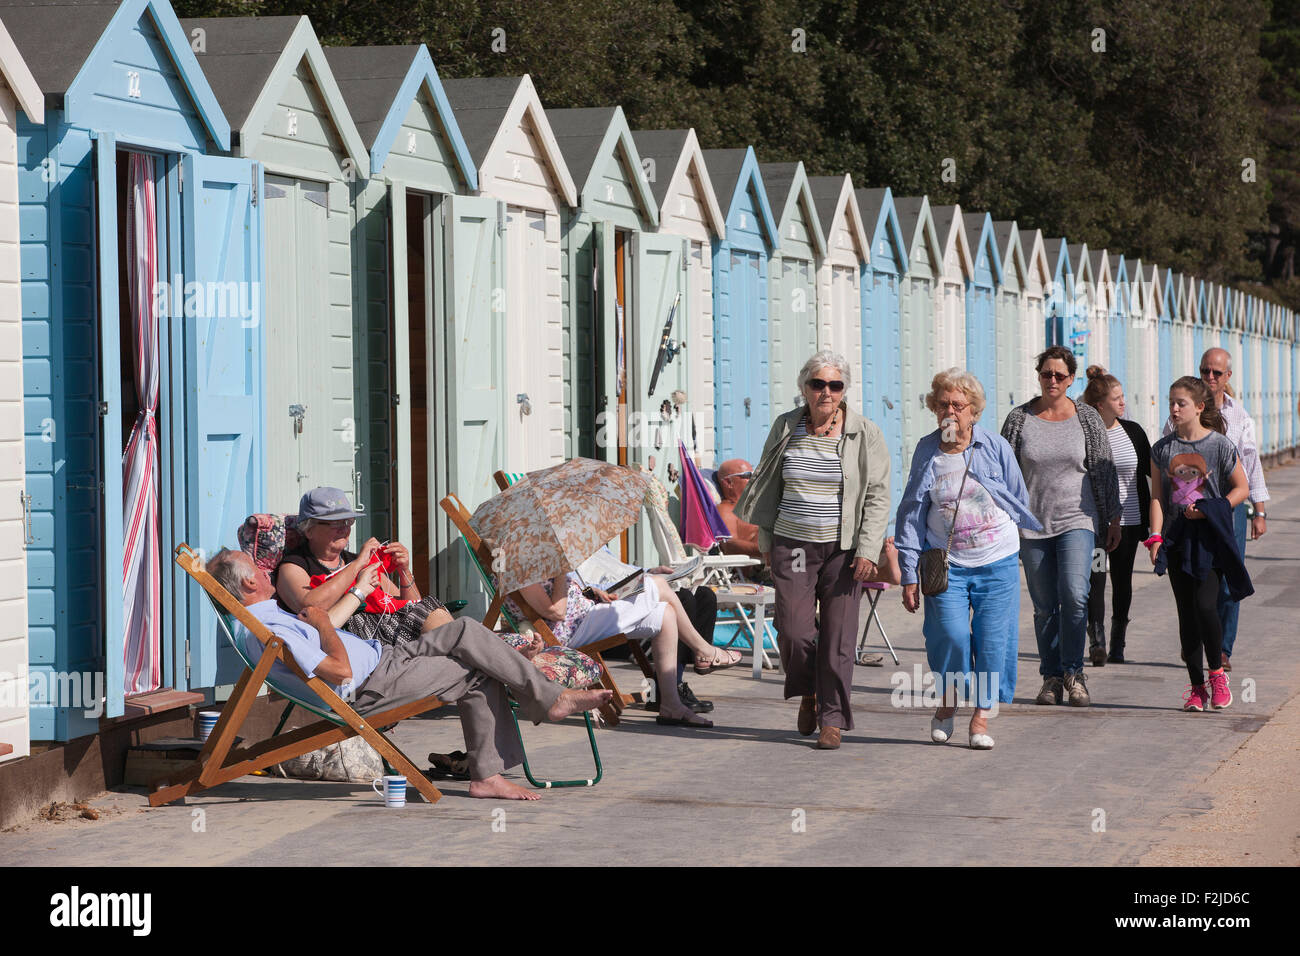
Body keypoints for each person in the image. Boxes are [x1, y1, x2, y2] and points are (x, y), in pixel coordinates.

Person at [208, 548, 612, 801]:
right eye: (259, 570)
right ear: (248, 582)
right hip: (371, 685)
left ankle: (539, 706)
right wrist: (326, 626)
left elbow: (322, 631)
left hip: (385, 658)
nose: (266, 571)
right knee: (475, 667)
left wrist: (357, 593)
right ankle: (497, 763)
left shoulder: (264, 618)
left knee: (467, 630)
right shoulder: (269, 631)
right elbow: (338, 670)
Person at [734, 349, 891, 750]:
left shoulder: (864, 432)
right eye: (817, 384)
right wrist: (766, 541)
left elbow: (876, 495)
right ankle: (809, 691)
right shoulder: (786, 426)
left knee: (839, 637)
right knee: (794, 631)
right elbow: (769, 484)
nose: (826, 392)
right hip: (793, 544)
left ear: (844, 391)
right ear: (803, 387)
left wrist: (868, 549)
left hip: (843, 549)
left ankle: (832, 719)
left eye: (835, 385)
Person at [895, 369, 1041, 749]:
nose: (950, 412)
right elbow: (911, 511)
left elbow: (1017, 494)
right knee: (952, 636)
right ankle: (947, 703)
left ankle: (980, 718)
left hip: (998, 559)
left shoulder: (993, 446)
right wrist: (909, 573)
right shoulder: (928, 451)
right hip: (947, 565)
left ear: (974, 412)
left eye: (958, 405)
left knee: (993, 641)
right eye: (942, 404)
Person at [1001, 346, 1121, 707]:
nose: (1052, 381)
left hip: (1078, 519)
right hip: (1032, 524)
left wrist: (1112, 517)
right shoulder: (1019, 418)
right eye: (1046, 374)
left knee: (1074, 594)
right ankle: (1051, 677)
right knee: (1043, 606)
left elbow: (1104, 468)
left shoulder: (1087, 418)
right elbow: (1002, 471)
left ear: (1071, 379)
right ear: (1038, 376)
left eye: (1059, 375)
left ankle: (1074, 673)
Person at [511, 571, 737, 728]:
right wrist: (561, 573)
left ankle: (670, 704)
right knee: (656, 583)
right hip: (569, 631)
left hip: (586, 614)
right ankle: (704, 650)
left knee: (665, 614)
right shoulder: (518, 570)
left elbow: (561, 597)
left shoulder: (533, 563)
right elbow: (556, 612)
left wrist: (589, 591)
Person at [1162, 348, 1269, 671]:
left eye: (1216, 373)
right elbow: (1167, 460)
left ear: (1228, 377)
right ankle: (1196, 641)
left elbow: (1250, 464)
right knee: (1195, 582)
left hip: (1228, 508)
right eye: (1205, 371)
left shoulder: (1239, 417)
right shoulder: (1179, 415)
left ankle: (1222, 648)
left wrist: (1259, 511)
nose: (1210, 377)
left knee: (1226, 579)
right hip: (1188, 512)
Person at [1149, 376, 1251, 711]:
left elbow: (1241, 488)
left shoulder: (1219, 445)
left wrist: (1210, 509)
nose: (1174, 409)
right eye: (1171, 403)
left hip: (1209, 540)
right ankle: (1196, 689)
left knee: (1207, 606)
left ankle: (1217, 673)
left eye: (1181, 403)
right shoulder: (1162, 449)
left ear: (1199, 407)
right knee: (1187, 614)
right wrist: (1156, 535)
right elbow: (1158, 498)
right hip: (1177, 540)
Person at [276, 487, 449, 646]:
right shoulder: (293, 566)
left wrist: (403, 570)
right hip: (353, 643)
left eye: (347, 521)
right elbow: (311, 606)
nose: (344, 529)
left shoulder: (358, 561)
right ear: (309, 530)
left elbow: (410, 607)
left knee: (430, 608)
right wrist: (358, 564)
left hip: (392, 636)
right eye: (335, 523)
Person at [1082, 366, 1151, 664]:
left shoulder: (1133, 432)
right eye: (1116, 398)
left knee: (1122, 581)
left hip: (1130, 522)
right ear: (1100, 405)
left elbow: (1151, 471)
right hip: (1096, 525)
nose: (1123, 402)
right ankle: (1096, 640)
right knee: (1096, 579)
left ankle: (1118, 642)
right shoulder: (1085, 434)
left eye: (1123, 397)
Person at [715, 459, 762, 561]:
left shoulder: (755, 505)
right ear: (728, 483)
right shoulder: (726, 510)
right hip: (760, 567)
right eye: (748, 475)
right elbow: (728, 545)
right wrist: (766, 550)